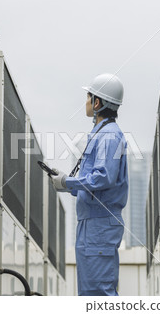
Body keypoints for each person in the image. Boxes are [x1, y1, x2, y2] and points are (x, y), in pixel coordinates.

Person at [51, 73, 128, 296]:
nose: (85, 102)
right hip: (92, 223)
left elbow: (103, 177)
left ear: (97, 103)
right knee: (89, 293)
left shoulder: (109, 136)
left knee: (99, 294)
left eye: (88, 97)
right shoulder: (101, 134)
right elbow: (95, 182)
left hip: (99, 225)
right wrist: (68, 181)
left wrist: (67, 182)